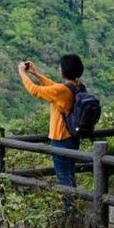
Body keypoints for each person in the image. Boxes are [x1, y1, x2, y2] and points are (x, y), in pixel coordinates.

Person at [18, 54, 86, 208]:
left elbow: (35, 90)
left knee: (64, 179)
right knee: (70, 176)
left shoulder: (62, 90)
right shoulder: (77, 86)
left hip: (61, 139)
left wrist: (22, 73)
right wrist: (36, 74)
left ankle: (69, 212)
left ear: (64, 70)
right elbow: (54, 87)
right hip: (72, 137)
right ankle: (73, 208)